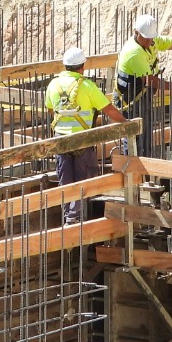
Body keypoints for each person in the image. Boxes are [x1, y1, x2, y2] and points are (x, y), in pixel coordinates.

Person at [45, 47, 128, 225]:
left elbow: (51, 109)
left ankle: (69, 217)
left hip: (61, 140)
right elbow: (108, 109)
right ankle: (77, 217)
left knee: (65, 179)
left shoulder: (53, 85)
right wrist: (126, 123)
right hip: (83, 139)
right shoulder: (88, 86)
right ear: (82, 67)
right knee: (83, 179)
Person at [115, 13, 172, 158]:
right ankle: (133, 171)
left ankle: (143, 168)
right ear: (137, 33)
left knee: (145, 136)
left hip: (141, 95)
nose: (149, 42)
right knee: (133, 137)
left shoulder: (152, 42)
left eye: (151, 38)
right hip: (130, 100)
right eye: (146, 38)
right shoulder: (133, 53)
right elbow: (150, 80)